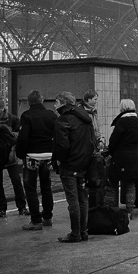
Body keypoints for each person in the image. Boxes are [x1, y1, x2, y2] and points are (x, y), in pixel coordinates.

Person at [52, 91, 96, 243]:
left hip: (69, 165)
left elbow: (62, 145)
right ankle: (83, 231)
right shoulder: (86, 118)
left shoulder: (62, 121)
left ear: (63, 103)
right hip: (84, 164)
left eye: (56, 102)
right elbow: (92, 141)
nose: (54, 105)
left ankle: (75, 233)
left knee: (73, 200)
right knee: (83, 198)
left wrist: (60, 160)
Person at [16, 90, 57, 230]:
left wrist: (21, 154)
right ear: (42, 100)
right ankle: (47, 217)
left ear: (29, 102)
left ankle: (36, 220)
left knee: (31, 189)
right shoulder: (51, 115)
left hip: (32, 156)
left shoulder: (26, 116)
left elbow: (23, 138)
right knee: (47, 187)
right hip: (48, 156)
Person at [107, 99, 138, 218]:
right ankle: (129, 211)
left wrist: (110, 152)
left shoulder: (121, 122)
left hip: (120, 157)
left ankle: (113, 209)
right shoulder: (137, 121)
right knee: (130, 185)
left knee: (113, 184)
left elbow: (114, 140)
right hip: (134, 157)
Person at [0, 99, 28, 217]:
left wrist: (8, 134)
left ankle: (21, 206)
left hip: (9, 155)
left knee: (16, 181)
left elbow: (20, 133)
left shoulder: (12, 119)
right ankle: (2, 208)